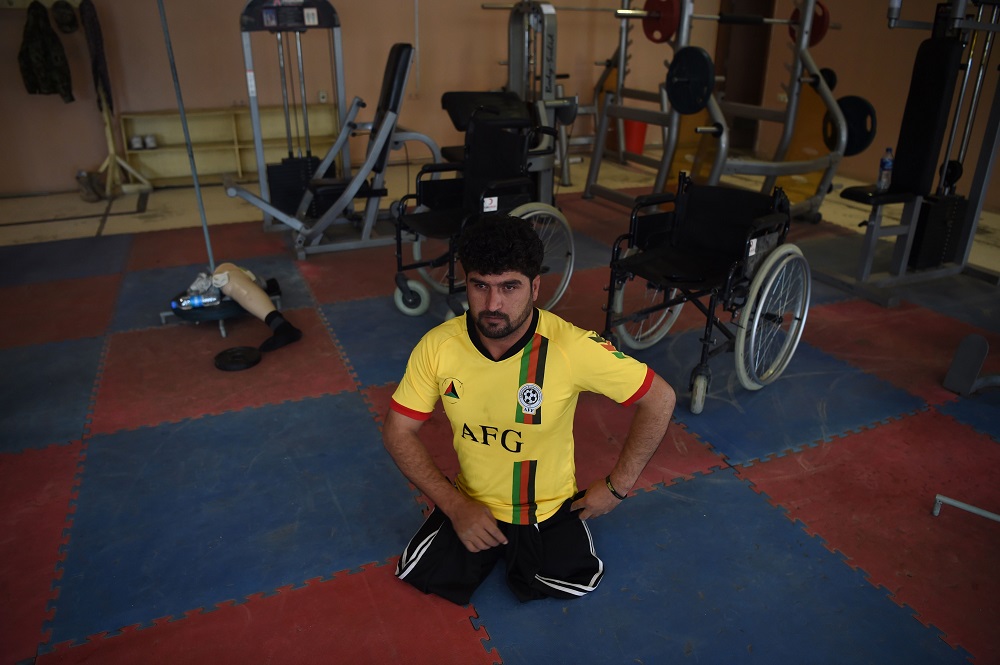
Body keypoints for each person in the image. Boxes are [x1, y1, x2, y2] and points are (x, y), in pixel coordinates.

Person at [383, 214, 675, 605]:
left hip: (547, 510)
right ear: (465, 282)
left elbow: (660, 398)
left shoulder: (571, 348)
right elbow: (398, 430)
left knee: (571, 586)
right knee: (419, 577)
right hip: (473, 503)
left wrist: (616, 488)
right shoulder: (437, 346)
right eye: (479, 285)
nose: (493, 304)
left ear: (535, 286)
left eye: (510, 286)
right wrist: (455, 506)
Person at [176, 262, 301, 352]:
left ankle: (282, 327)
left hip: (235, 278)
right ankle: (267, 286)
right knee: (223, 269)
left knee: (225, 279)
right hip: (235, 274)